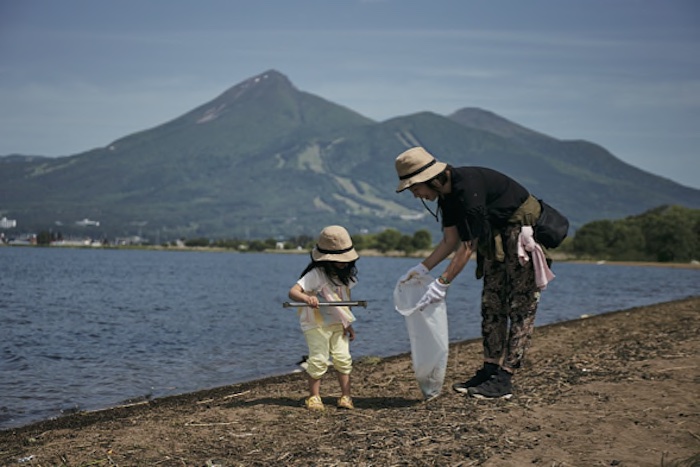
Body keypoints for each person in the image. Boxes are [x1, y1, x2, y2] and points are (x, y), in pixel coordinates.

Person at [394, 146, 555, 400]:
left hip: (520, 237)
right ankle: (490, 368)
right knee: (491, 305)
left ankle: (505, 377)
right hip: (496, 242)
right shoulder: (446, 197)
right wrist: (421, 269)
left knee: (520, 307)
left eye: (416, 189)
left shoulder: (467, 188)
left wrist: (442, 283)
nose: (417, 195)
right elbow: (450, 240)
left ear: (431, 179)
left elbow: (468, 246)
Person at [288, 225, 359, 411]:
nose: (343, 263)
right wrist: (307, 298)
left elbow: (345, 304)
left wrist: (348, 324)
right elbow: (293, 292)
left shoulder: (346, 277)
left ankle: (346, 396)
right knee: (319, 359)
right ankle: (314, 397)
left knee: (343, 359)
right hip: (316, 323)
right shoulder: (315, 275)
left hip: (338, 323)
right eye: (338, 260)